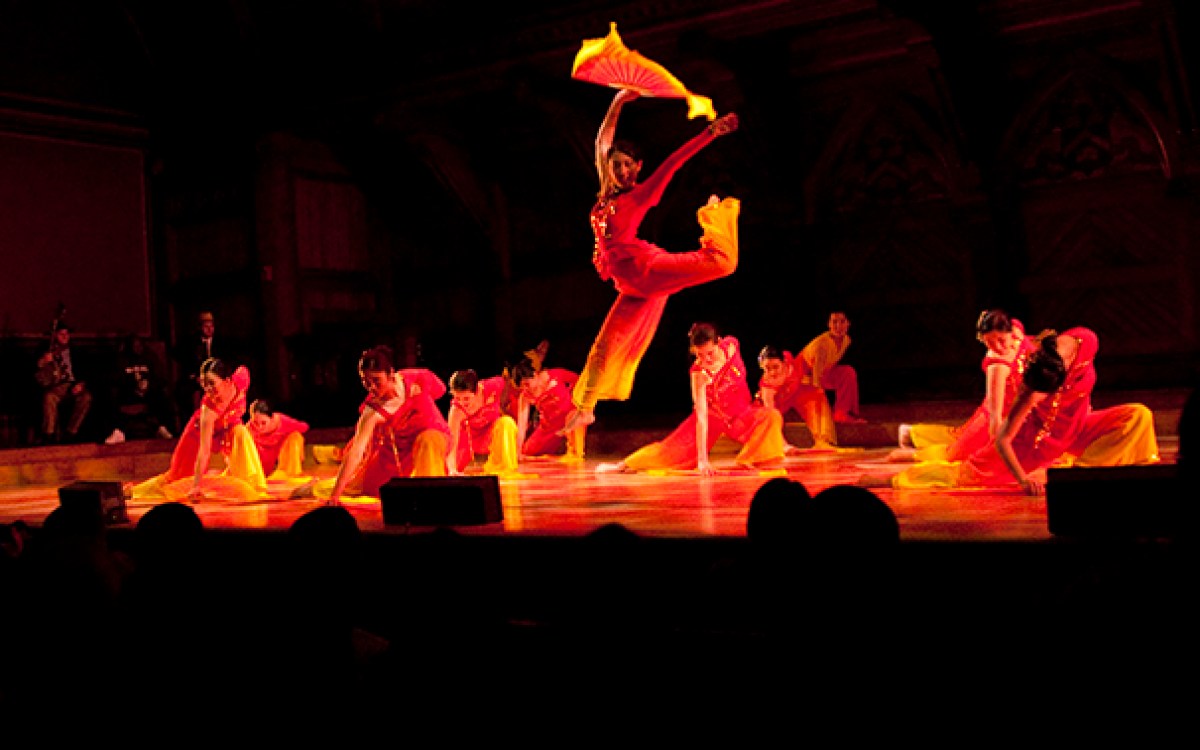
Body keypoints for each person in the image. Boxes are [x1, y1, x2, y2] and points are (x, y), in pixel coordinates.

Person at [561, 88, 741, 436]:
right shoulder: (603, 193)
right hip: (631, 286)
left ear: (638, 168)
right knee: (603, 347)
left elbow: (674, 162)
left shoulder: (641, 193)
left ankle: (717, 219)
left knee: (723, 264)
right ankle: (585, 408)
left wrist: (709, 133)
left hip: (649, 269)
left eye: (630, 165)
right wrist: (618, 101)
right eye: (618, 165)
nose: (624, 170)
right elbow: (603, 138)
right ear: (609, 167)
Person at [892, 328, 1159, 494]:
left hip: (1074, 429)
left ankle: (1077, 474)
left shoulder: (1084, 342)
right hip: (1034, 443)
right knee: (964, 469)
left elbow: (1081, 386)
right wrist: (1023, 480)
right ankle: (898, 473)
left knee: (1138, 415)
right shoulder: (1025, 381)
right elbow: (1003, 436)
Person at [597, 322, 785, 476]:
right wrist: (703, 461)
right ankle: (622, 465)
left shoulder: (732, 345)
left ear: (719, 343)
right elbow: (702, 417)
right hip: (713, 418)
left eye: (710, 353)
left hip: (742, 413)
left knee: (771, 417)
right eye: (700, 355)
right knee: (668, 452)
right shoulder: (698, 374)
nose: (706, 360)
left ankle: (751, 461)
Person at [891, 309, 1035, 462]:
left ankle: (912, 433)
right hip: (995, 419)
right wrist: (1001, 447)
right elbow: (995, 417)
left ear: (1010, 332)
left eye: (1001, 340)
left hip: (1018, 415)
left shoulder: (1016, 330)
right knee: (955, 456)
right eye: (990, 343)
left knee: (957, 436)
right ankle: (910, 449)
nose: (998, 348)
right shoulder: (997, 364)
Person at [315, 345, 451, 507]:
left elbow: (440, 391)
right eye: (366, 382)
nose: (371, 387)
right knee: (366, 485)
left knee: (427, 440)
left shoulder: (418, 378)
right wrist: (334, 497)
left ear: (391, 374)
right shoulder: (372, 411)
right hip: (397, 452)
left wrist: (420, 400)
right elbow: (357, 452)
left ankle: (430, 499)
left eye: (376, 381)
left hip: (431, 439)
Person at [132, 357, 268, 503]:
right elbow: (204, 451)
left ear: (227, 381)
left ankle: (253, 484)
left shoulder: (240, 380)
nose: (207, 389)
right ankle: (134, 491)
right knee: (176, 479)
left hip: (227, 430)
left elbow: (243, 369)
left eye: (211, 383)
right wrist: (196, 486)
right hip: (197, 435)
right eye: (203, 383)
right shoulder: (208, 411)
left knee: (241, 432)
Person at [756, 344, 837, 452]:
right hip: (780, 404)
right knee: (771, 415)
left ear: (784, 362)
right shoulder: (767, 385)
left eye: (775, 367)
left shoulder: (788, 357)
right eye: (767, 368)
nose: (772, 372)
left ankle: (822, 440)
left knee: (817, 393)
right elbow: (771, 414)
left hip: (795, 394)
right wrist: (783, 445)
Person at [445, 368, 522, 476]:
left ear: (477, 391)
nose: (462, 402)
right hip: (471, 440)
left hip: (492, 435)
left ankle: (505, 469)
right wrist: (452, 468)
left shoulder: (492, 386)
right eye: (458, 398)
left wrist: (502, 406)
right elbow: (452, 442)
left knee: (507, 422)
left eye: (466, 398)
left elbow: (507, 383)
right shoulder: (456, 411)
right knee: (451, 470)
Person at [104, 333, 177, 444]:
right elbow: (114, 381)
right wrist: (133, 387)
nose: (137, 348)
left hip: (149, 393)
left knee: (161, 396)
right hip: (128, 393)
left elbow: (161, 379)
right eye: (134, 346)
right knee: (115, 397)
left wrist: (148, 385)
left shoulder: (150, 358)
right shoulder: (120, 360)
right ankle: (119, 432)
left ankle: (161, 428)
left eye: (139, 346)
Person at [511, 359, 584, 462]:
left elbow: (581, 381)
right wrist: (518, 450)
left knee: (575, 454)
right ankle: (554, 458)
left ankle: (573, 452)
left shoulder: (555, 375)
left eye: (527, 384)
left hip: (570, 418)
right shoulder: (525, 396)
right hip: (549, 426)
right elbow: (522, 425)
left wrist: (576, 399)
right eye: (522, 386)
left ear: (535, 375)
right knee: (526, 452)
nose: (525, 388)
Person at [799, 310, 864, 424]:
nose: (838, 326)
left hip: (822, 374)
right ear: (829, 324)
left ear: (848, 323)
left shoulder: (846, 340)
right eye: (834, 322)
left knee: (848, 372)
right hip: (801, 377)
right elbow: (816, 376)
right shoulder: (822, 345)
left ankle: (842, 413)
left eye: (842, 321)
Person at [35, 323, 93, 444]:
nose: (65, 336)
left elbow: (86, 370)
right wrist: (45, 361)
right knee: (49, 397)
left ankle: (71, 432)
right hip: (57, 386)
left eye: (67, 334)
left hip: (73, 384)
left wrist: (81, 384)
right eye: (62, 334)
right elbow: (38, 370)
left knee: (86, 397)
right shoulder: (47, 350)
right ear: (56, 335)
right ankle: (48, 434)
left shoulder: (76, 351)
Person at [174, 310, 224, 421]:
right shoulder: (190, 343)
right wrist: (196, 376)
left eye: (211, 326)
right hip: (196, 378)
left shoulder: (221, 342)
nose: (209, 329)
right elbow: (185, 361)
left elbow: (224, 363)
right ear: (200, 327)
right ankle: (191, 423)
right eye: (206, 326)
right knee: (183, 390)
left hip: (217, 379)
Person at [247, 399, 311, 481]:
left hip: (280, 469)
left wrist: (284, 435)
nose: (260, 427)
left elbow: (304, 427)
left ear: (271, 418)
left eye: (263, 423)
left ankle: (291, 473)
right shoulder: (248, 429)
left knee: (295, 436)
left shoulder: (281, 421)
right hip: (258, 471)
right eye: (255, 423)